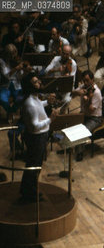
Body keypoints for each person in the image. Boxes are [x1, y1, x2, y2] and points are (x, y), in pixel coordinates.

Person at [19, 72, 58, 202]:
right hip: (36, 138)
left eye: (38, 81)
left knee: (36, 166)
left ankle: (30, 190)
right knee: (33, 166)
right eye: (35, 82)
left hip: (40, 137)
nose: (39, 83)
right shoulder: (30, 103)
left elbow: (39, 106)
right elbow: (35, 126)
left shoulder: (35, 98)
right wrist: (50, 120)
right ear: (30, 87)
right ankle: (28, 194)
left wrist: (48, 102)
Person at [71, 70, 103, 161]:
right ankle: (69, 147)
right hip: (84, 114)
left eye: (87, 80)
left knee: (82, 130)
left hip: (95, 118)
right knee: (70, 122)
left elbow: (90, 110)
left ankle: (80, 152)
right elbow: (72, 93)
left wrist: (88, 99)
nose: (85, 83)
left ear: (92, 80)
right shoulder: (83, 87)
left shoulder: (96, 93)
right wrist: (78, 92)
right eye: (84, 81)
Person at [0, 44, 28, 114]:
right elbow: (6, 76)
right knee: (2, 99)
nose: (13, 57)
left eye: (14, 55)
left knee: (21, 98)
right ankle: (10, 111)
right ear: (7, 55)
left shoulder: (17, 61)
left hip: (16, 84)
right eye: (11, 55)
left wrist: (24, 72)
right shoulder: (1, 61)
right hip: (5, 85)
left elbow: (20, 77)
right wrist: (16, 68)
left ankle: (11, 111)